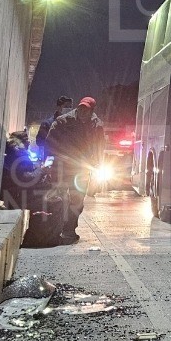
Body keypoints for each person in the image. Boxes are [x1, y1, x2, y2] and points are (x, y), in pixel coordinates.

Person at [43, 96, 105, 243]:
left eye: (86, 109)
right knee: (60, 198)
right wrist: (50, 160)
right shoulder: (63, 121)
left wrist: (97, 163)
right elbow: (50, 141)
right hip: (62, 166)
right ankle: (57, 228)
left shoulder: (97, 125)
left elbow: (99, 146)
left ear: (91, 111)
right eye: (81, 108)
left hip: (81, 169)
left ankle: (69, 230)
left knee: (77, 200)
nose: (83, 111)